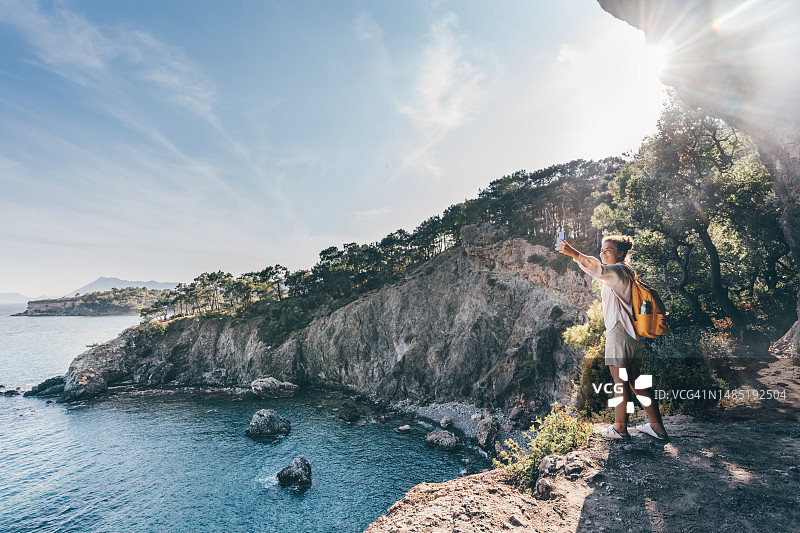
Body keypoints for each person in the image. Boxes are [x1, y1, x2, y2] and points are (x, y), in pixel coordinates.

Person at [556, 234, 668, 440]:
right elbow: (599, 270)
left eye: (608, 249)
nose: (602, 253)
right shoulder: (627, 272)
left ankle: (619, 428)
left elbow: (597, 269)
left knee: (620, 382)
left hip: (619, 332)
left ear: (621, 253)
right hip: (633, 334)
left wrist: (573, 253)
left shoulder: (618, 271)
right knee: (635, 379)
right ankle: (657, 427)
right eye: (602, 249)